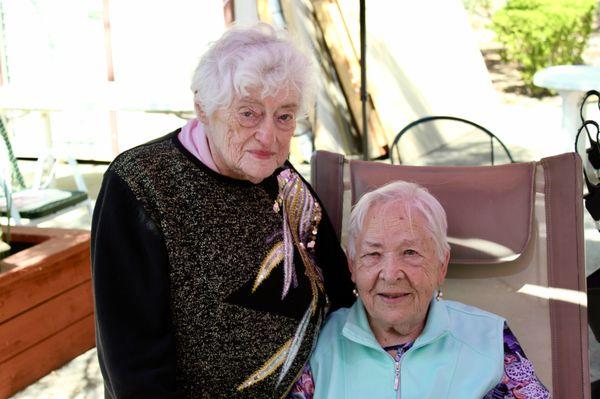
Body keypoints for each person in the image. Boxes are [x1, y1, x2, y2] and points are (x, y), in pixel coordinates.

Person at [91, 23, 354, 398]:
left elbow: (339, 289)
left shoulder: (284, 179)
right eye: (249, 113)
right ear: (203, 107)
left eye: (284, 116)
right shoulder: (143, 184)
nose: (269, 135)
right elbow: (132, 360)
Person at [290, 181, 549, 399]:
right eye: (373, 254)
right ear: (352, 266)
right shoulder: (315, 345)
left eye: (410, 253)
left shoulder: (489, 339)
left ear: (441, 264)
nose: (390, 274)